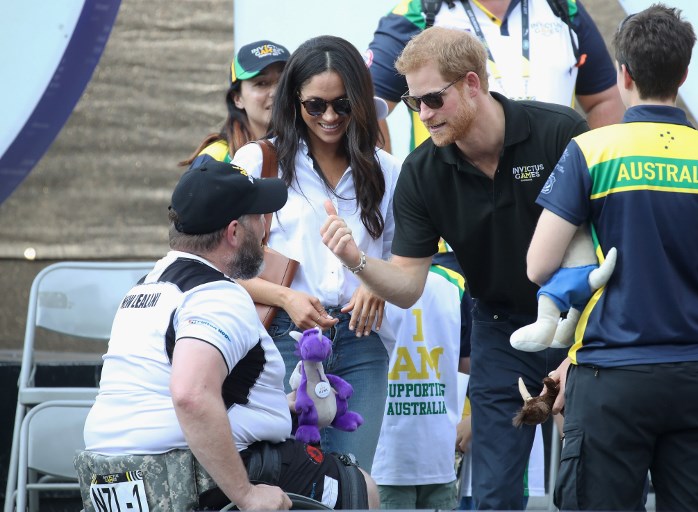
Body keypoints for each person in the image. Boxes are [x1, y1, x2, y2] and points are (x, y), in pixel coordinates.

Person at [321, 26, 588, 510]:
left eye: (432, 100)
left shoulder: (560, 132)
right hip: (501, 331)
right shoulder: (423, 171)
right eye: (412, 102)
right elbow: (405, 284)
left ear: (472, 83)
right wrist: (357, 261)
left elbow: (613, 247)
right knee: (492, 494)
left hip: (584, 323)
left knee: (590, 488)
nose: (423, 115)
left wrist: (582, 350)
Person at [525, 6, 698, 510]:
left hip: (610, 379)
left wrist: (628, 282)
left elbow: (539, 266)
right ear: (684, 73)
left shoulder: (590, 151)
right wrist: (685, 285)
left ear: (624, 73)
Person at [79, 161, 377, 511]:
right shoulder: (216, 294)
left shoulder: (147, 286)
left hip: (109, 480)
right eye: (260, 218)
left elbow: (165, 397)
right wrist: (247, 495)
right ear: (234, 232)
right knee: (362, 489)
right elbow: (190, 394)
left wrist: (283, 408)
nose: (266, 230)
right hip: (181, 475)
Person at [230, 35, 401, 474]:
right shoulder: (258, 160)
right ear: (294, 102)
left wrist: (373, 281)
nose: (329, 116)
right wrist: (286, 298)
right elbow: (218, 264)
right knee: (288, 482)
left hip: (361, 341)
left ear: (360, 103)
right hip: (282, 340)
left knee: (351, 481)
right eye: (315, 105)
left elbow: (407, 260)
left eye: (342, 105)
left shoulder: (386, 170)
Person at [366, 0, 624, 153]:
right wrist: (387, 184)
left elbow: (606, 100)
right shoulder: (417, 13)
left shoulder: (562, 7)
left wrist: (590, 173)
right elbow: (364, 107)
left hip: (557, 203)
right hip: (455, 216)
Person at [371, 264, 470, 509]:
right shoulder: (454, 282)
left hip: (386, 455)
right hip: (431, 453)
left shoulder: (364, 278)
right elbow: (469, 364)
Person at [178, 40, 290, 169]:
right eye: (262, 83)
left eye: (283, 82)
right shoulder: (215, 159)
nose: (275, 92)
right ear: (237, 98)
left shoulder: (310, 150)